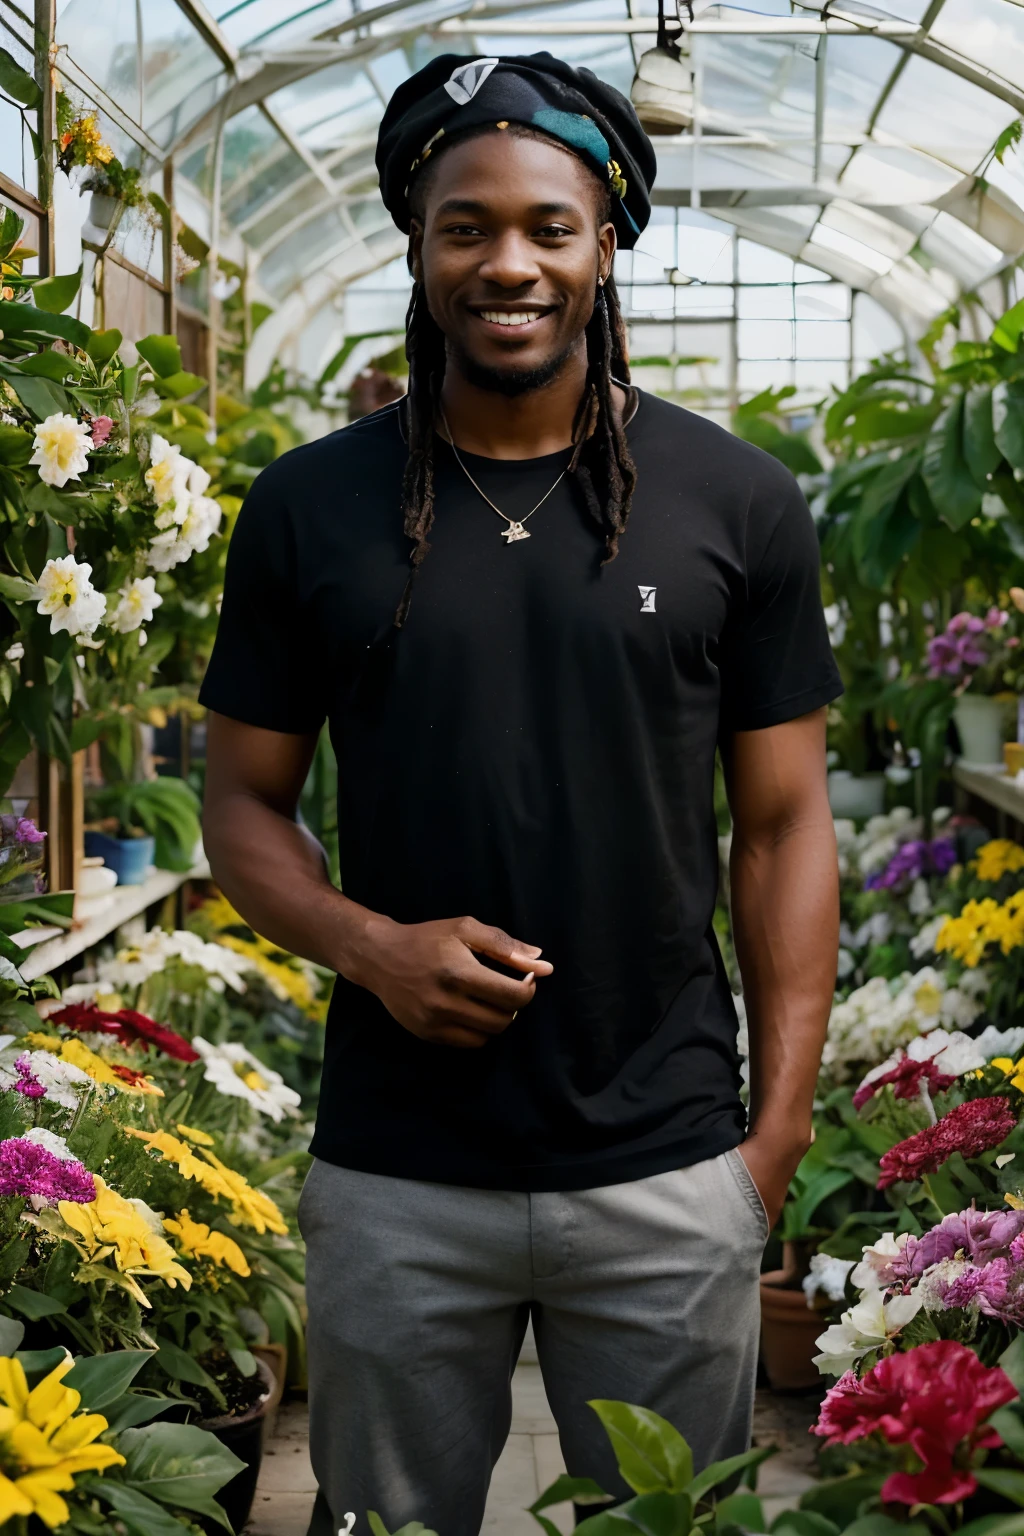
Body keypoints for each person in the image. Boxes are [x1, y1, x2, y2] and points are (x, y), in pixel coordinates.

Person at [199, 50, 842, 1536]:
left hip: (670, 1163)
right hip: (397, 1177)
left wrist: (776, 1144)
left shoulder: (731, 501)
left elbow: (785, 824)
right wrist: (371, 945)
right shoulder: (312, 506)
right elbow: (243, 803)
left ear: (606, 239)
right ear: (416, 243)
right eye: (464, 225)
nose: (509, 262)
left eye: (549, 226)